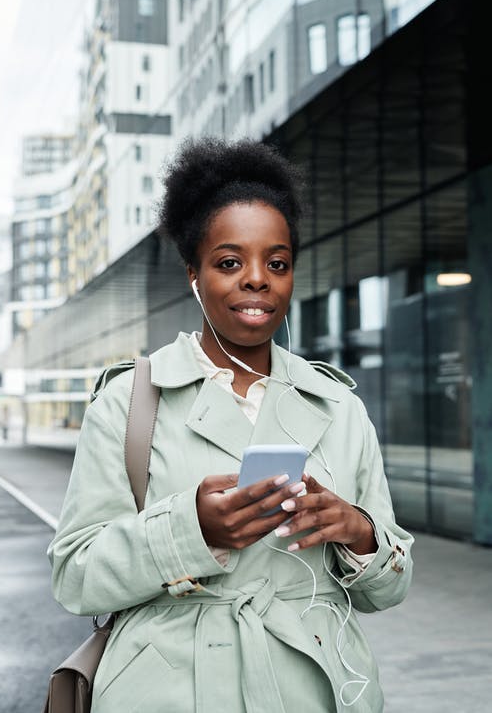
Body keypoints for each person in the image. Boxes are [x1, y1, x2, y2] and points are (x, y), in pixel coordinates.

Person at [48, 138, 413, 713]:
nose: (257, 279)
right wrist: (190, 530)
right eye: (229, 262)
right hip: (166, 687)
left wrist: (357, 531)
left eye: (277, 262)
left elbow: (389, 587)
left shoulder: (338, 406)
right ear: (194, 274)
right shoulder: (129, 401)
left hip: (313, 684)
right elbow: (75, 576)